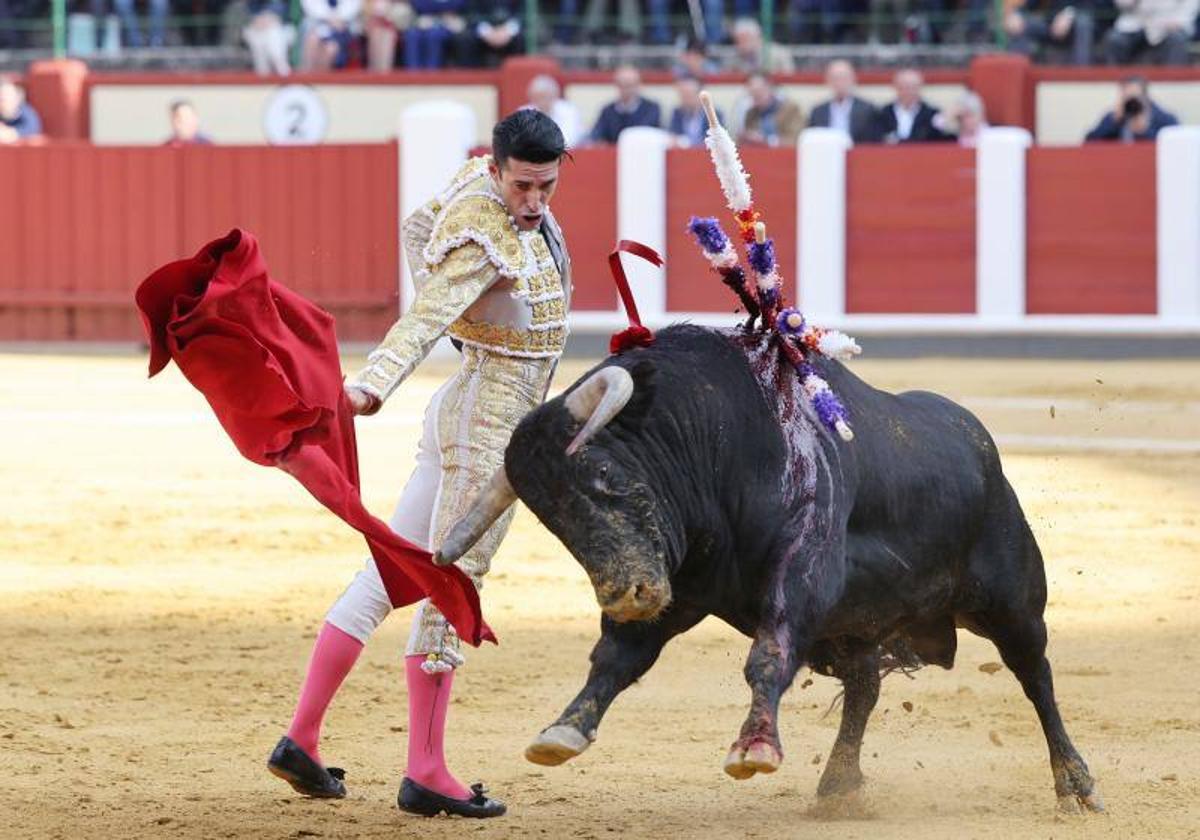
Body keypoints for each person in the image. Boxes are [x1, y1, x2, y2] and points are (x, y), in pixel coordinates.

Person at [267, 108, 571, 820]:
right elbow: (427, 312)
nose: (532, 203)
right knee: (451, 585)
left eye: (545, 189)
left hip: (468, 406)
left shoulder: (472, 183)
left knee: (386, 573)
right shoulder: (484, 234)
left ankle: (301, 738)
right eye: (522, 187)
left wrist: (482, 322)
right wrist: (374, 383)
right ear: (495, 170)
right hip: (486, 424)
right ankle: (426, 770)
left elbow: (414, 226)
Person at [807, 59, 882, 144]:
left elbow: (874, 142)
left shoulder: (868, 110)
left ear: (853, 79)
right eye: (835, 78)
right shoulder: (818, 112)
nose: (839, 83)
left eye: (844, 78)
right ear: (828, 80)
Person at [1085, 76, 1180, 142]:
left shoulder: (1165, 119)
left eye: (1134, 98)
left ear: (1145, 97)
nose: (1131, 103)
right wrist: (1113, 122)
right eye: (1126, 97)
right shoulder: (1114, 117)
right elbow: (1089, 143)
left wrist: (1144, 131)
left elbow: (1174, 147)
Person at [1004, 0, 1096, 65]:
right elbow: (1030, 4)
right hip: (1051, 25)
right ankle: (1018, 76)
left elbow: (1094, 5)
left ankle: (1080, 77)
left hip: (1080, 23)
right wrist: (1017, 14)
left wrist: (1069, 14)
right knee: (1021, 25)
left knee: (1084, 23)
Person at [1104, 0, 1196, 64]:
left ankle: (1173, 82)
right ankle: (1116, 81)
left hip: (1170, 21)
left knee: (1177, 39)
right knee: (1115, 40)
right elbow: (1122, 4)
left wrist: (1179, 21)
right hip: (1135, 21)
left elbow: (1191, 6)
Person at [588, 65, 662, 144]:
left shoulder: (651, 109)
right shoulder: (607, 111)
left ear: (638, 85)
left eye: (630, 85)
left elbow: (645, 133)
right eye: (622, 85)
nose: (627, 90)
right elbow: (595, 136)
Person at [877, 68, 953, 143]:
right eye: (904, 87)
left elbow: (937, 139)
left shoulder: (932, 114)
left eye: (913, 87)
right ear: (896, 87)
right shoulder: (883, 113)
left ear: (920, 88)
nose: (908, 91)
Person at [738, 74, 804, 147]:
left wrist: (767, 140)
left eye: (759, 92)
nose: (756, 96)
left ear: (769, 87)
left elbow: (796, 141)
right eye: (752, 94)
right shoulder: (751, 113)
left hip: (784, 155)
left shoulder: (790, 110)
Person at [301, 0, 363, 70]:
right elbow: (310, 7)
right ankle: (307, 77)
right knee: (312, 40)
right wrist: (330, 18)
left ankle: (319, 79)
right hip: (319, 27)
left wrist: (338, 18)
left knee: (330, 49)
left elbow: (353, 8)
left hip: (344, 29)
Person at [525, 73, 583, 148]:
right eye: (536, 98)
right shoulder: (524, 112)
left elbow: (569, 140)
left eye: (544, 97)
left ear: (555, 95)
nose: (541, 102)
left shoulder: (569, 111)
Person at [405, 0, 467, 68]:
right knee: (412, 35)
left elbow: (458, 4)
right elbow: (418, 4)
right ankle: (412, 73)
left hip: (450, 23)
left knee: (434, 35)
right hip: (423, 21)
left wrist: (436, 14)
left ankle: (432, 73)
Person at [464, 0, 523, 67]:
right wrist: (487, 31)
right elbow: (472, 13)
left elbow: (522, 11)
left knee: (523, 38)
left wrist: (508, 30)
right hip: (483, 30)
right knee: (465, 39)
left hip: (509, 29)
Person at [669, 76, 723, 147]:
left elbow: (716, 140)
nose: (685, 99)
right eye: (683, 95)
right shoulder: (677, 113)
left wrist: (688, 143)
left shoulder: (713, 114)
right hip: (683, 154)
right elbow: (674, 136)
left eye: (688, 95)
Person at [243, 0, 293, 76]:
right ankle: (263, 74)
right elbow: (254, 22)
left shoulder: (277, 3)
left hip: (282, 32)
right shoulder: (253, 3)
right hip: (259, 32)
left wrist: (264, 21)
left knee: (273, 34)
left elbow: (276, 19)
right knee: (254, 36)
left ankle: (283, 72)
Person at [730, 17, 796, 74]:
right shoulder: (733, 58)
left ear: (757, 36)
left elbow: (790, 79)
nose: (740, 45)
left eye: (745, 39)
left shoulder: (779, 53)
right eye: (737, 40)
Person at [0, 77, 42, 145]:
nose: (4, 101)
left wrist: (11, 134)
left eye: (8, 96)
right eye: (1, 98)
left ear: (16, 98)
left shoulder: (26, 113)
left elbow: (32, 128)